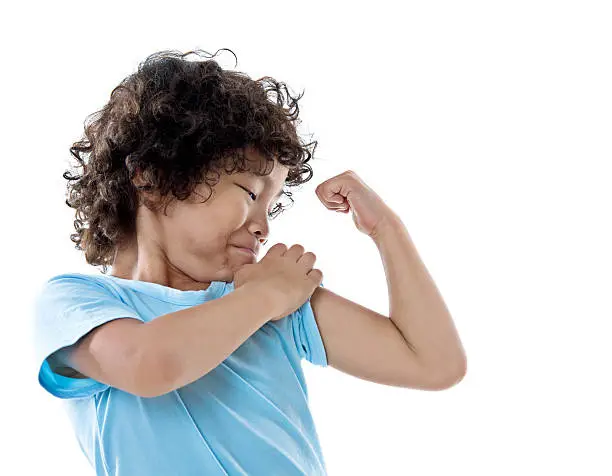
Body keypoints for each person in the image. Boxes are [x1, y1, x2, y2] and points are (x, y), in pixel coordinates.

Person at [33, 48, 467, 476]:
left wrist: (387, 230)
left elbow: (433, 362)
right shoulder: (78, 302)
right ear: (151, 178)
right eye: (251, 194)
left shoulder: (278, 306)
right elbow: (152, 365)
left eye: (272, 207)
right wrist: (266, 295)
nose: (263, 227)